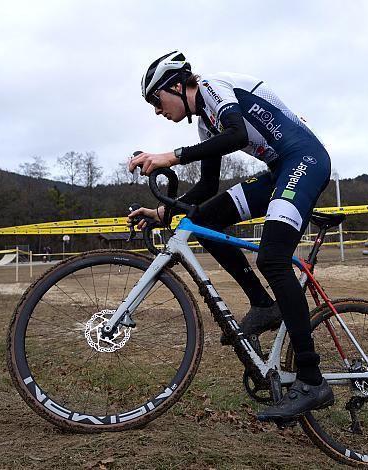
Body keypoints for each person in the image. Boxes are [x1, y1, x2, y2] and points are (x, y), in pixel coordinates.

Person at [128, 51, 333, 420]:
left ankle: (311, 378)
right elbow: (207, 184)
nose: (157, 111)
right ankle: (263, 305)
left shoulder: (211, 86)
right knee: (204, 219)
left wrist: (170, 157)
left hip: (305, 161)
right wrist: (163, 213)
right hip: (279, 169)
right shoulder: (205, 122)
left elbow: (237, 133)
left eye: (156, 101)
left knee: (271, 258)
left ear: (176, 85)